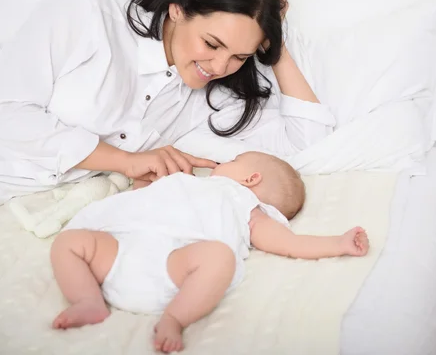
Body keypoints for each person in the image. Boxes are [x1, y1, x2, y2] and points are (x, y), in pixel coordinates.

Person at [0, 0, 335, 229]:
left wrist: (274, 35)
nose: (220, 67)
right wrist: (123, 160)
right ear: (178, 9)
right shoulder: (89, 14)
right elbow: (4, 116)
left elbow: (309, 141)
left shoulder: (205, 98)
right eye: (212, 43)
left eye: (239, 56)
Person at [50, 151, 370, 353]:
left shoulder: (246, 206)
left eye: (231, 161)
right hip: (124, 247)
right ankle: (88, 300)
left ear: (250, 178)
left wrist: (337, 243)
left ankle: (174, 317)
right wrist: (145, 187)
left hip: (174, 264)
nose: (220, 163)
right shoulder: (189, 185)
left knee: (219, 257)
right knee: (69, 242)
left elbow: (293, 244)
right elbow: (147, 204)